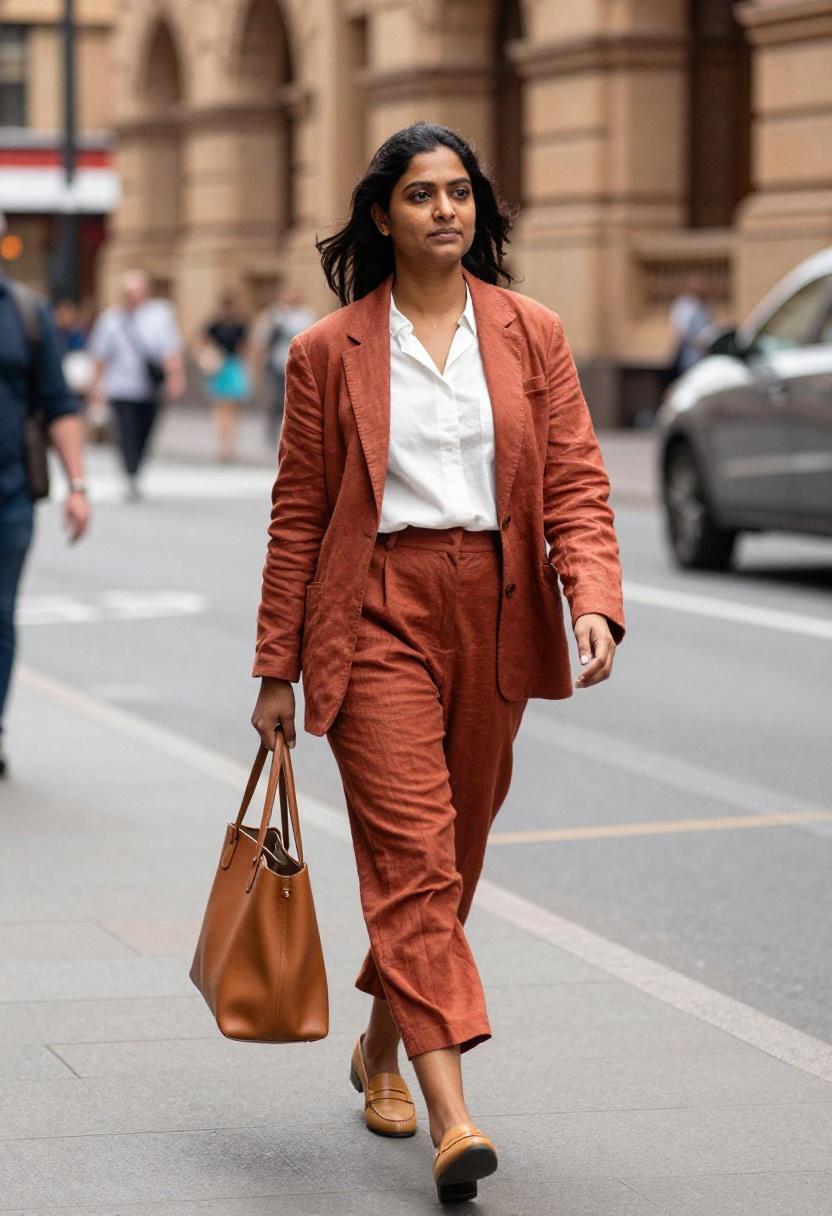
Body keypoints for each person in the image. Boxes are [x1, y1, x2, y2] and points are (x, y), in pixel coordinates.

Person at [250, 123, 625, 1204]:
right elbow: (298, 517)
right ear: (383, 214)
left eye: (460, 192)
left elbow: (575, 480)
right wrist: (277, 666)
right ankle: (453, 1115)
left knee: (447, 858)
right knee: (411, 861)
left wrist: (590, 598)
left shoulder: (532, 333)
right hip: (373, 612)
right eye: (421, 195)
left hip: (497, 611)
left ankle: (379, 1048)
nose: (445, 211)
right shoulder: (329, 352)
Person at [0, 257, 91, 779]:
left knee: (0, 616)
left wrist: (76, 485)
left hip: (9, 497)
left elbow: (58, 404)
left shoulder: (25, 314)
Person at [88, 270, 185, 499]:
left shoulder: (159, 315)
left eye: (139, 291)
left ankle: (136, 466)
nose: (134, 296)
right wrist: (96, 387)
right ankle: (130, 471)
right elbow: (100, 357)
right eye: (130, 292)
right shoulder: (111, 319)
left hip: (149, 388)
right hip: (120, 388)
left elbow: (169, 349)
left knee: (145, 430)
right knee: (127, 430)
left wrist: (175, 376)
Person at [252, 283, 315, 444]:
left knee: (298, 401)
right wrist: (258, 365)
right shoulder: (273, 315)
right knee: (275, 400)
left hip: (300, 365)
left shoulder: (306, 316)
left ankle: (295, 435)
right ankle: (273, 435)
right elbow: (262, 341)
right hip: (276, 365)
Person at [198, 293, 251, 462]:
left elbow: (245, 348)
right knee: (222, 409)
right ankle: (224, 445)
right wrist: (208, 356)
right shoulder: (214, 325)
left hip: (233, 367)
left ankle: (229, 445)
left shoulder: (240, 325)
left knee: (230, 410)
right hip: (219, 367)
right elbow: (201, 341)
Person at [665, 272, 715, 385]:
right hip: (689, 353)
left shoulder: (704, 305)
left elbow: (709, 326)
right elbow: (682, 330)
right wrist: (697, 342)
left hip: (703, 354)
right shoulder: (684, 304)